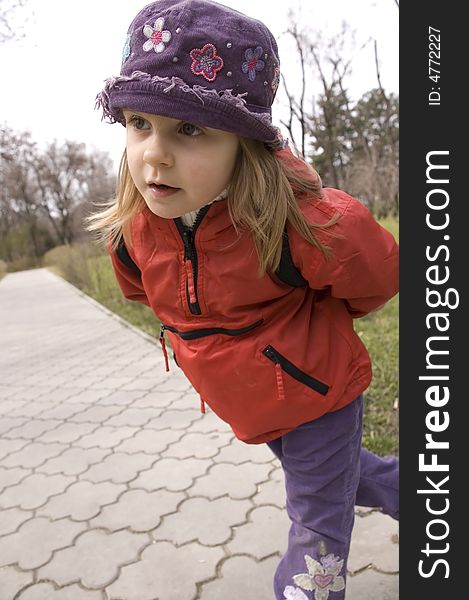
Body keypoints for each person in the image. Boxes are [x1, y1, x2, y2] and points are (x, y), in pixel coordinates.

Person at [89, 1, 399, 598]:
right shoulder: (134, 230)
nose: (155, 152)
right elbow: (143, 293)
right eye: (139, 123)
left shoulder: (294, 221)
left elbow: (377, 275)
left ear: (244, 143)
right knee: (347, 480)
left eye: (190, 129)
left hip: (316, 395)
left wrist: (314, 323)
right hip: (254, 405)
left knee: (315, 535)